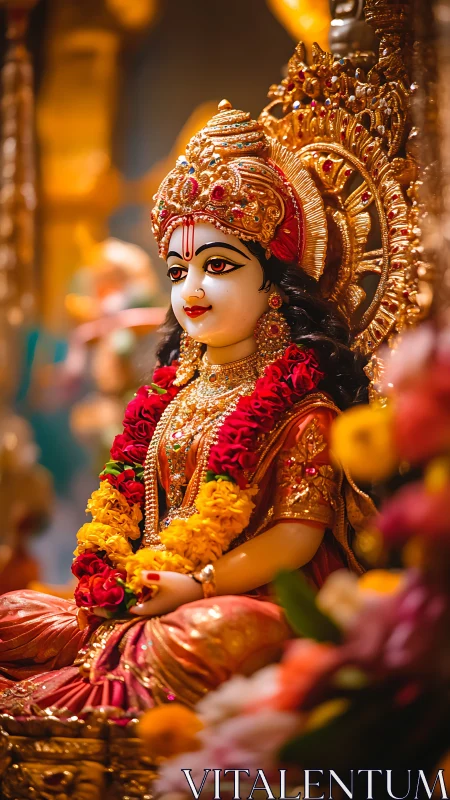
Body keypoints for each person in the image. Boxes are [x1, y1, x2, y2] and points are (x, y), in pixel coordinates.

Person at [0, 101, 374, 717]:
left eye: (218, 265)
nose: (190, 290)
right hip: (156, 590)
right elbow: (135, 513)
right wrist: (120, 578)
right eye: (178, 270)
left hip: (247, 601)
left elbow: (294, 542)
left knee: (197, 637)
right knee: (13, 616)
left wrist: (195, 585)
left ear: (276, 281)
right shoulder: (173, 395)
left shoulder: (305, 409)